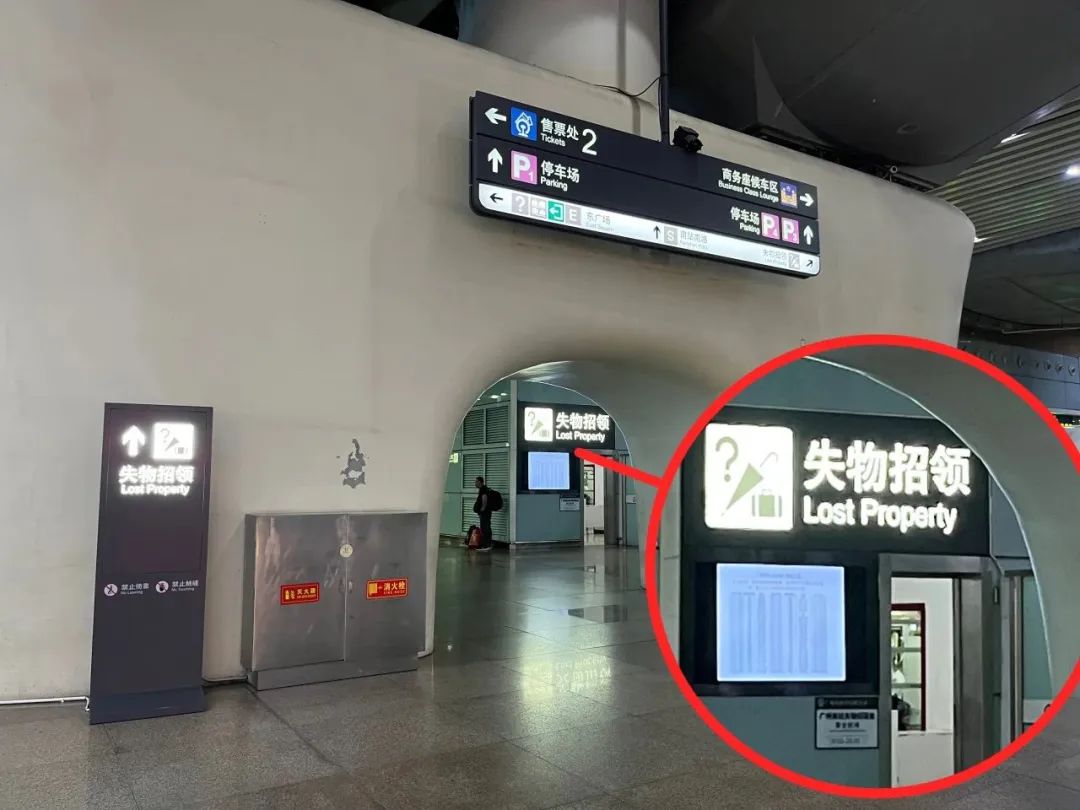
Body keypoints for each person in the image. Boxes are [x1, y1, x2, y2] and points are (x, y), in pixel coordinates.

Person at [473, 475, 493, 552]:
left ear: (480, 482)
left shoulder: (483, 490)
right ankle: (487, 544)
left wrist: (482, 510)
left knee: (485, 528)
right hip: (486, 512)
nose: (475, 483)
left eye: (476, 481)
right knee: (486, 527)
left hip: (485, 513)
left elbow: (484, 500)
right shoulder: (483, 489)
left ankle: (486, 545)